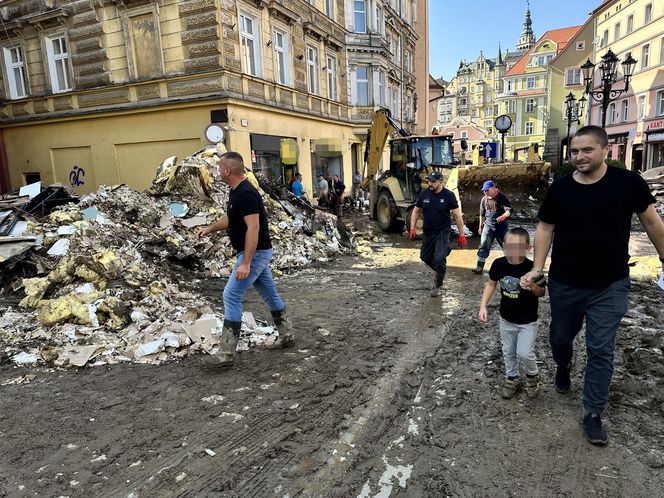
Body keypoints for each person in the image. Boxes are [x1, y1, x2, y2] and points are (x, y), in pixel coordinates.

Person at [521, 125, 664, 445]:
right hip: (566, 282)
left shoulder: (627, 183)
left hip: (610, 283)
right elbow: (545, 229)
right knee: (560, 337)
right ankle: (563, 364)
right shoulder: (560, 189)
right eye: (574, 151)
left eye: (586, 150)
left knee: (601, 348)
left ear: (604, 150)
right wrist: (537, 268)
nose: (579, 157)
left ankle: (594, 413)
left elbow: (653, 222)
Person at [197, 151, 295, 367]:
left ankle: (226, 355)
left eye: (219, 167)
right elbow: (231, 218)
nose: (216, 171)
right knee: (269, 293)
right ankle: (287, 336)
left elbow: (254, 228)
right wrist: (209, 229)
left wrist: (246, 263)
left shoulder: (246, 194)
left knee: (231, 295)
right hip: (255, 253)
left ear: (227, 170)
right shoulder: (236, 192)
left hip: (255, 253)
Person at [479, 227, 546, 399]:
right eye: (509, 246)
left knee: (524, 352)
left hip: (528, 321)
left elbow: (542, 293)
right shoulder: (498, 264)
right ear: (503, 246)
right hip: (506, 319)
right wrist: (483, 306)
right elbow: (491, 284)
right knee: (508, 351)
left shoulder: (533, 268)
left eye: (518, 247)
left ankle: (532, 377)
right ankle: (512, 378)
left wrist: (532, 286)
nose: (513, 251)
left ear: (527, 248)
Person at [409, 171, 467, 297]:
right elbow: (415, 211)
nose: (430, 184)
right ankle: (441, 269)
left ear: (440, 182)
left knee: (439, 258)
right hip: (428, 232)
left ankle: (438, 285)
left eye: (433, 182)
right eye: (429, 181)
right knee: (425, 257)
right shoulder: (424, 194)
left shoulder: (449, 195)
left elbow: (457, 216)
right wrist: (412, 228)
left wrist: (462, 235)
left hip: (442, 231)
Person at [472, 180, 512, 274]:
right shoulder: (484, 199)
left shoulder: (502, 198)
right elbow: (482, 214)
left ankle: (512, 266)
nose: (485, 192)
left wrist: (504, 216)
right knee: (483, 245)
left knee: (507, 247)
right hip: (488, 226)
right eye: (484, 190)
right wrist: (480, 226)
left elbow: (509, 210)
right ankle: (479, 267)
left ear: (493, 189)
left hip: (501, 228)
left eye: (487, 190)